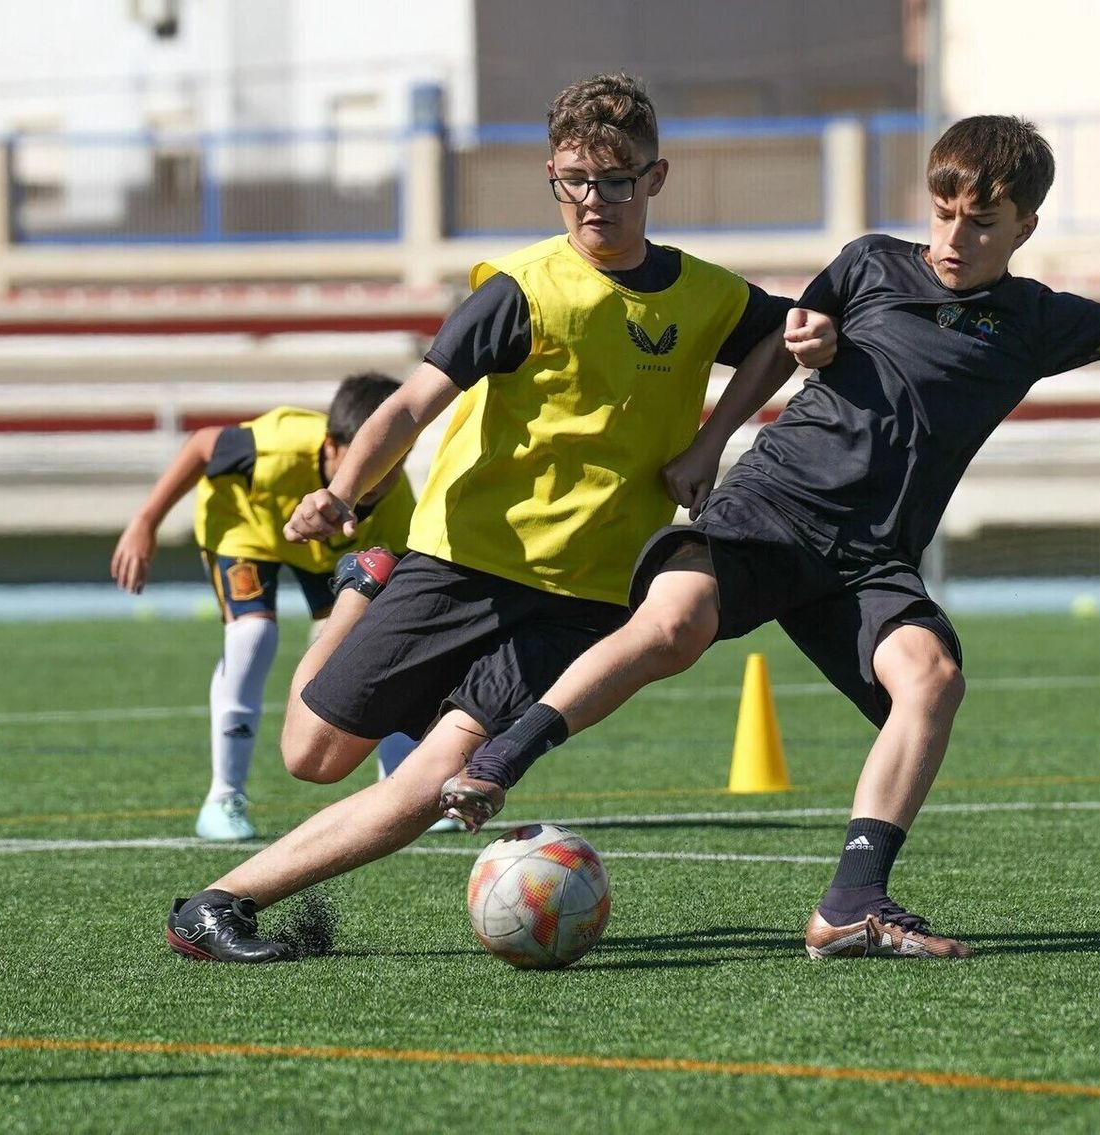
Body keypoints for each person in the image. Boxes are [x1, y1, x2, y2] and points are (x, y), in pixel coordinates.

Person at [437, 114, 1100, 960]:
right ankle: (500, 758)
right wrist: (776, 376)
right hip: (774, 512)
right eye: (946, 212)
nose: (955, 236)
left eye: (982, 221)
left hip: (869, 558)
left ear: (1023, 226)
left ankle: (849, 905)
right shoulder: (872, 262)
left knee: (932, 676)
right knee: (677, 622)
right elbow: (797, 336)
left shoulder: (1034, 320)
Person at [162, 72, 836, 962]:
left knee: (439, 776)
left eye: (620, 178)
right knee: (311, 753)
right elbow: (407, 407)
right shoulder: (521, 289)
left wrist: (713, 443)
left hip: (588, 597)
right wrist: (345, 498)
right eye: (575, 181)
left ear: (656, 177)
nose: (596, 201)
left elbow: (780, 338)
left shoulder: (707, 294)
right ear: (553, 178)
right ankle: (364, 591)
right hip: (461, 562)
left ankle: (217, 905)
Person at [111, 372, 420, 841]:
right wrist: (145, 523)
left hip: (325, 544)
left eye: (394, 462)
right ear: (334, 445)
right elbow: (201, 446)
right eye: (367, 458)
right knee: (253, 635)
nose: (379, 476)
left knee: (386, 635)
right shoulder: (274, 447)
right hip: (246, 524)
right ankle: (223, 797)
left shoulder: (399, 505)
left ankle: (403, 788)